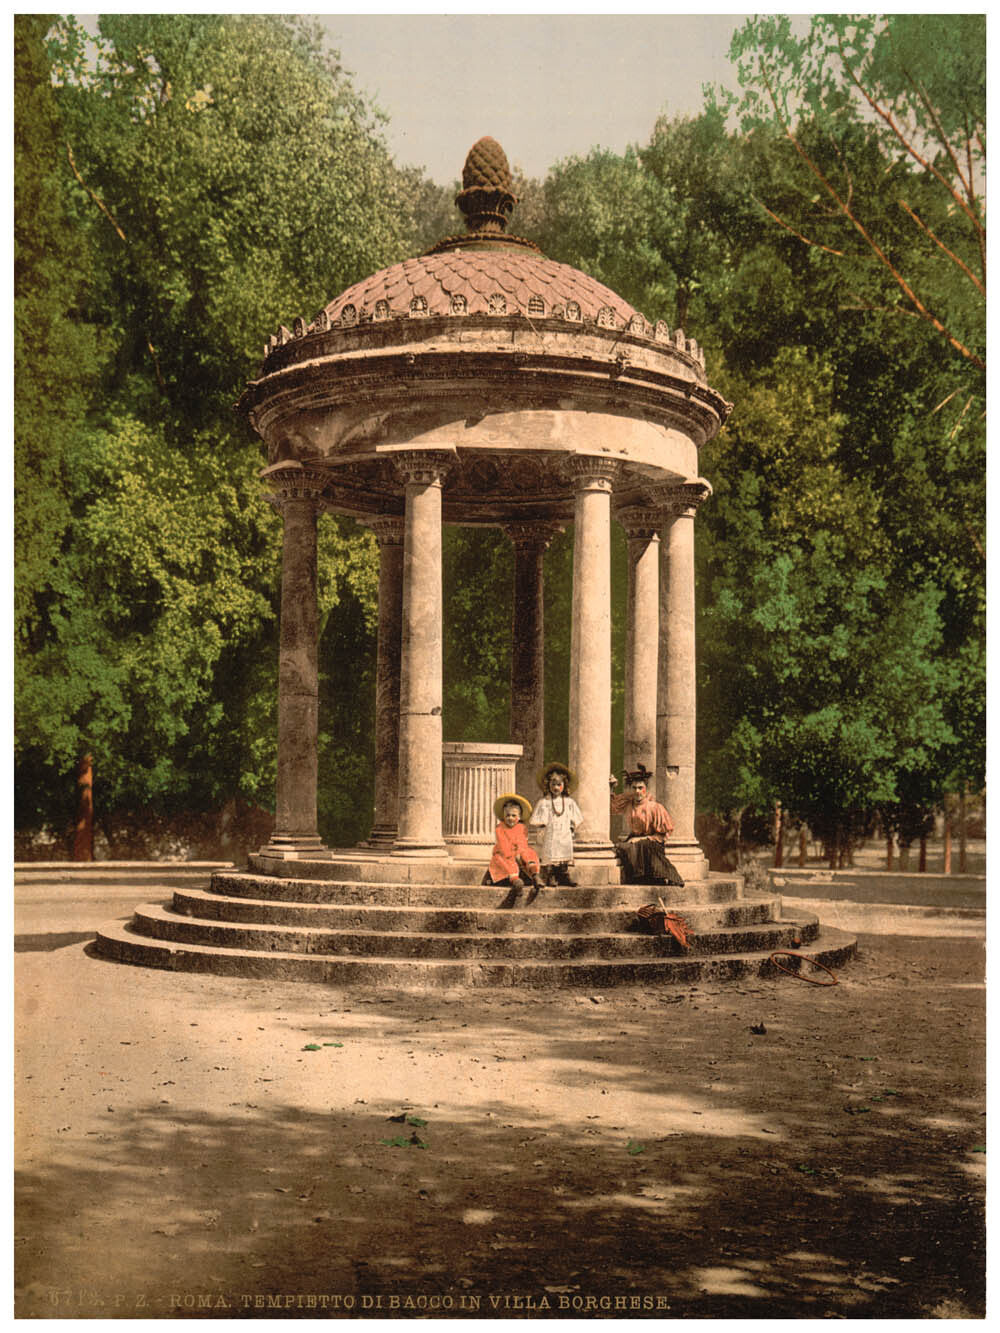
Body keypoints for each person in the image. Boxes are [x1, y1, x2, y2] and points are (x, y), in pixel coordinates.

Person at [609, 764, 684, 886]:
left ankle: (658, 876)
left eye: (640, 788)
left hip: (652, 842)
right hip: (635, 839)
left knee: (642, 845)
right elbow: (612, 807)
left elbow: (662, 835)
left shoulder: (654, 807)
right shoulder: (628, 803)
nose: (637, 791)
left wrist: (641, 839)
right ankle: (639, 877)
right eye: (634, 788)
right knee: (622, 847)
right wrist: (611, 788)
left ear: (646, 789)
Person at [530, 761, 583, 886]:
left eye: (559, 784)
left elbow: (576, 816)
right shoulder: (545, 802)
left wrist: (572, 826)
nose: (556, 788)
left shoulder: (569, 802)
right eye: (553, 784)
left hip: (564, 832)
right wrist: (542, 826)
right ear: (548, 785)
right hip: (551, 832)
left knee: (564, 851)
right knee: (551, 852)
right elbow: (537, 819)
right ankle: (551, 875)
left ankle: (564, 874)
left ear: (564, 785)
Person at [486, 793, 544, 898]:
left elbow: (522, 843)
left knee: (529, 853)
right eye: (507, 815)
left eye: (514, 815)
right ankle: (515, 881)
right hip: (505, 852)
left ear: (519, 816)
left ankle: (534, 874)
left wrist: (520, 854)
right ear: (503, 816)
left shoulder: (521, 827)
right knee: (504, 860)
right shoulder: (500, 828)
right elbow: (503, 845)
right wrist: (513, 855)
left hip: (518, 852)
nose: (510, 818)